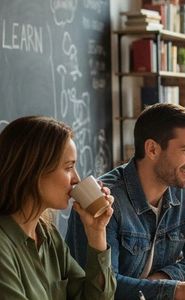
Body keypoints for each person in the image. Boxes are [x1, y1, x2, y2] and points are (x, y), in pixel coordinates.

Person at [66, 103, 185, 299]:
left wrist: (162, 279)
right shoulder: (102, 201)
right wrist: (175, 289)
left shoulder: (184, 193)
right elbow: (104, 287)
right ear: (152, 149)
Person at [0, 116, 116, 299]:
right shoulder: (4, 246)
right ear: (33, 170)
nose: (77, 179)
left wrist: (96, 233)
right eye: (68, 167)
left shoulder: (48, 235)